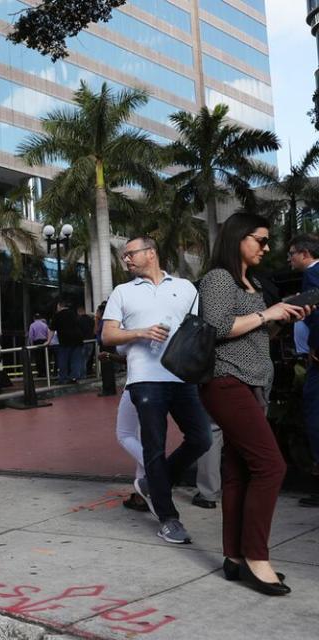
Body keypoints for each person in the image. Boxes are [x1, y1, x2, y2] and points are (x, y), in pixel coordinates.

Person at [199, 215, 311, 595]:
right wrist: (267, 313)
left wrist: (284, 316)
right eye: (260, 240)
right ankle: (255, 557)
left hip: (250, 382)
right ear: (237, 238)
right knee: (270, 465)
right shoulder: (218, 278)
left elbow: (256, 332)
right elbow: (216, 327)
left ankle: (233, 557)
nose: (266, 247)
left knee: (239, 470)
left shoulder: (254, 282)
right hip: (224, 379)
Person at [102, 236, 212, 545]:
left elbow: (197, 328)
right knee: (153, 446)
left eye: (131, 254)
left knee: (201, 437)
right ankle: (168, 518)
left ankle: (152, 481)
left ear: (151, 253)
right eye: (125, 256)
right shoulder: (122, 292)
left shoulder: (186, 288)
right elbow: (108, 335)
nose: (126, 259)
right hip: (145, 378)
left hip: (181, 376)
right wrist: (140, 332)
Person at [288, 234, 319, 507]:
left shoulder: (313, 275)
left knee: (315, 419)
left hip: (315, 362)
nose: (290, 259)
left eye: (292, 254)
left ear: (305, 254)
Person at [49, 300, 84, 384]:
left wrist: (48, 341)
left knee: (63, 360)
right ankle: (74, 377)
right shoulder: (74, 314)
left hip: (65, 340)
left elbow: (52, 330)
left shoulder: (57, 315)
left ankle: (63, 378)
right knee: (76, 360)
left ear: (59, 306)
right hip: (77, 340)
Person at [77, 306, 96, 376]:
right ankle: (88, 371)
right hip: (91, 341)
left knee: (82, 360)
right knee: (88, 358)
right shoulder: (91, 320)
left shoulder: (78, 320)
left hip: (83, 341)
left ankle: (83, 375)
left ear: (79, 312)